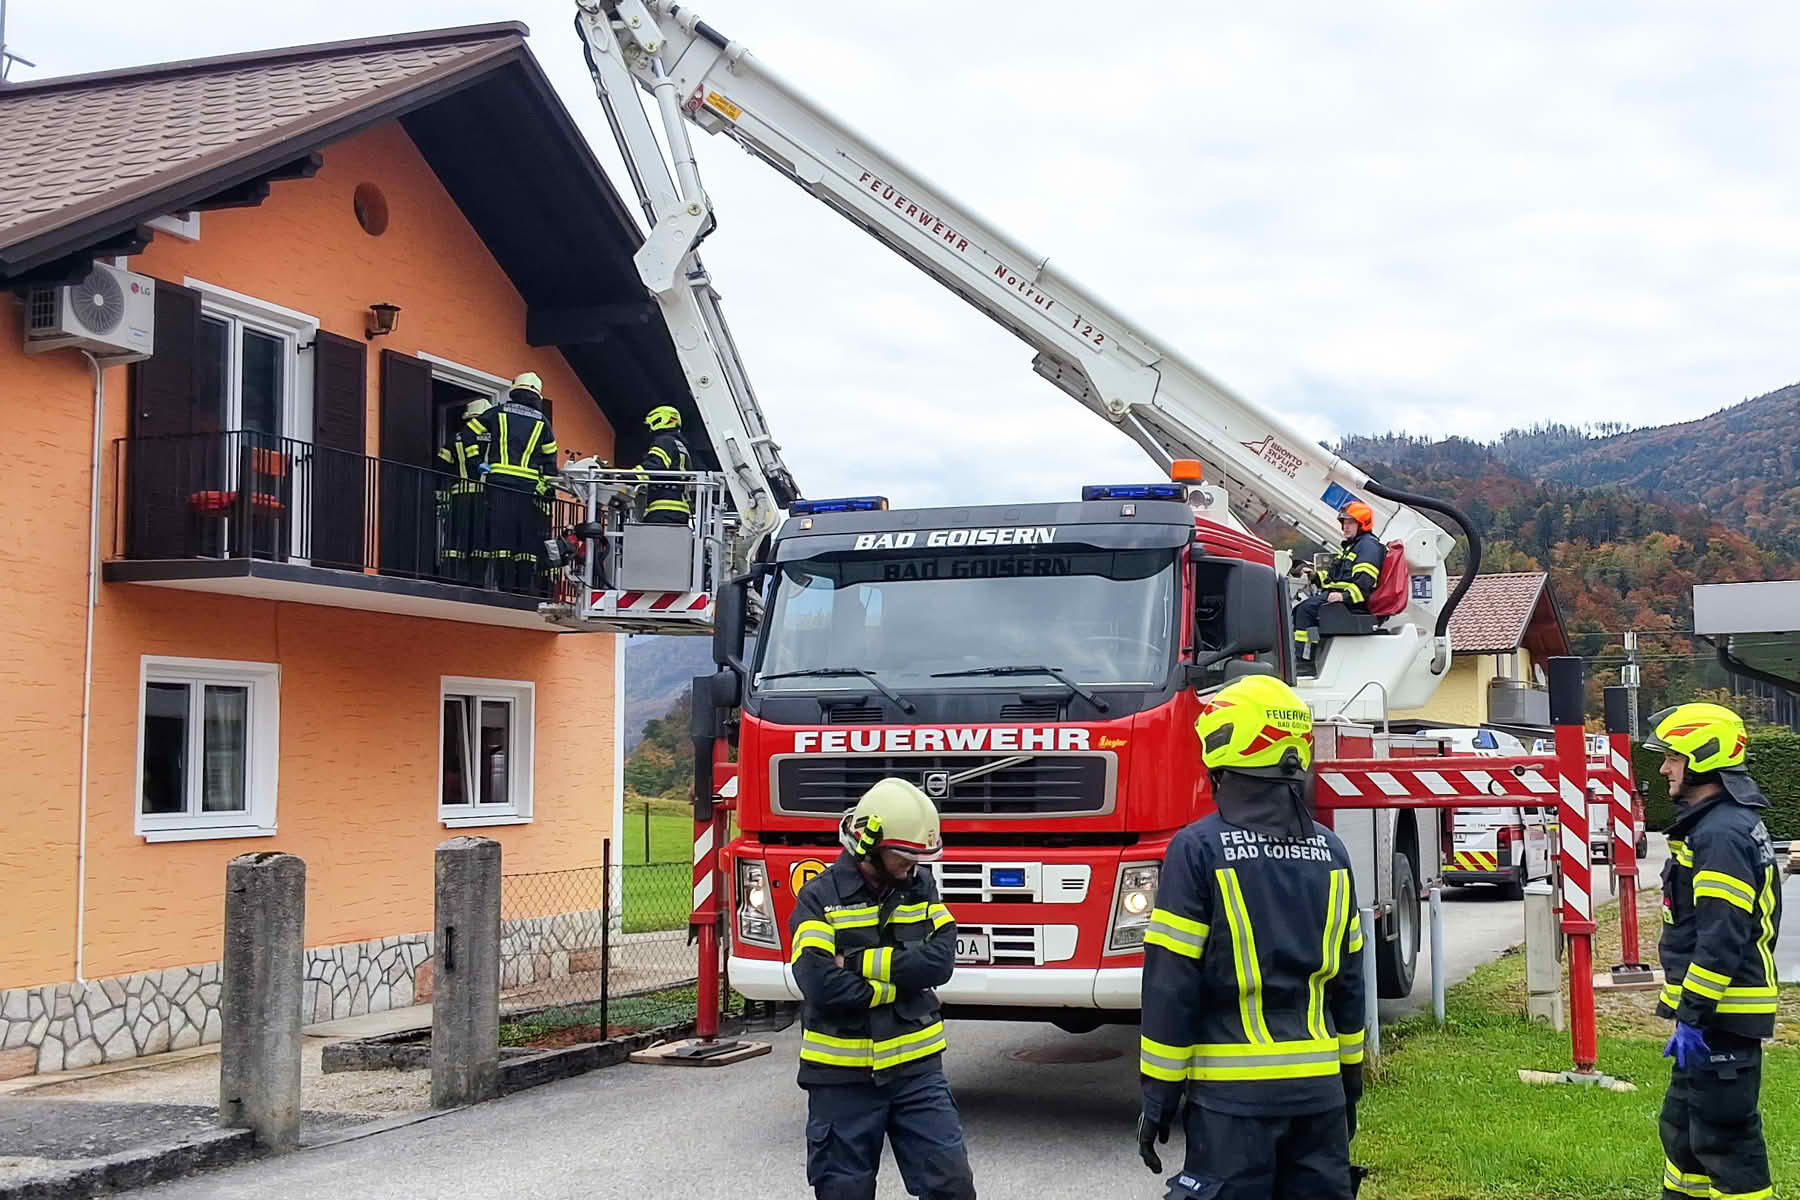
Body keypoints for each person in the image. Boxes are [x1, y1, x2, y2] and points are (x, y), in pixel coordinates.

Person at [1137, 674, 1365, 1200]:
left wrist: (1159, 1098)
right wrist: (1349, 1084)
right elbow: (1349, 985)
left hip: (1232, 1106)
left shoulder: (1197, 851)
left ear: (1223, 751)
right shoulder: (1333, 854)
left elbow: (1172, 986)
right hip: (1321, 1099)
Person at [788, 778, 976, 1200]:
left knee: (953, 1188)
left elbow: (940, 962)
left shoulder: (920, 886)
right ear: (868, 845)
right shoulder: (818, 900)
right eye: (906, 855)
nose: (915, 866)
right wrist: (902, 983)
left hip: (918, 1075)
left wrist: (855, 962)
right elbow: (820, 985)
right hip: (840, 1081)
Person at [1643, 702, 1782, 1200]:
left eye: (1673, 757)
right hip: (1709, 1016)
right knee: (1684, 1134)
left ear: (1704, 756)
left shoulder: (1721, 835)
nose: (1664, 768)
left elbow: (1722, 939)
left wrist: (1695, 1016)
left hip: (1722, 1016)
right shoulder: (1714, 825)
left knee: (1726, 1141)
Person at [474, 372, 560, 593]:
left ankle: (502, 583)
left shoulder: (497, 412)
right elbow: (550, 461)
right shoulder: (544, 423)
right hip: (527, 488)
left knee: (500, 533)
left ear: (515, 390)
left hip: (498, 481)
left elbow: (468, 434)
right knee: (524, 535)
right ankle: (520, 587)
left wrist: (477, 462)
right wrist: (544, 487)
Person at [1292, 501, 1385, 676]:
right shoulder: (1353, 546)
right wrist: (1314, 576)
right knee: (1299, 609)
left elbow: (1365, 584)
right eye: (1344, 523)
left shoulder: (1368, 547)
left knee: (1305, 610)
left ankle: (1303, 662)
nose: (1345, 527)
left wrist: (1344, 597)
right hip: (1343, 598)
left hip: (1353, 603)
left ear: (1362, 523)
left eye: (1350, 522)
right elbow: (1334, 579)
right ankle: (1301, 657)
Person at [436, 395, 491, 584]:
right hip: (484, 496)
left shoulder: (454, 439)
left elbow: (441, 468)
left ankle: (451, 577)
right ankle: (477, 582)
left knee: (455, 537)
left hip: (458, 495)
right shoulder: (494, 441)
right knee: (480, 540)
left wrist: (441, 495)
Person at [632, 404, 692, 524]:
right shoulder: (680, 445)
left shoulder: (664, 441)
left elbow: (655, 464)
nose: (649, 429)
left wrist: (625, 476)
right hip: (680, 508)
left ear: (660, 419)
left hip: (664, 508)